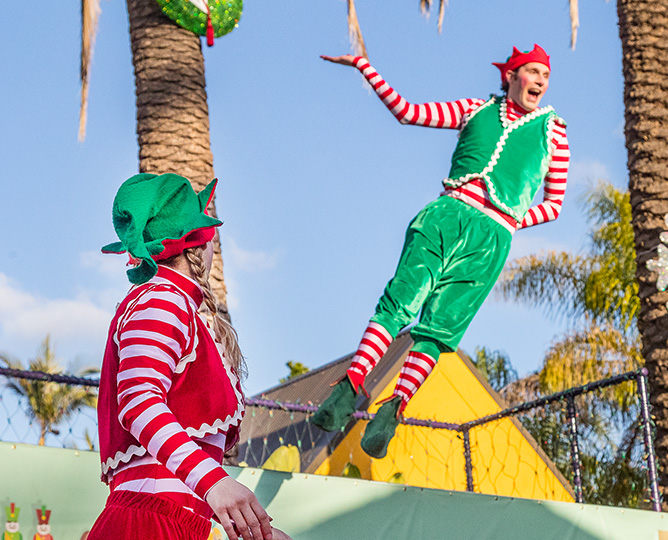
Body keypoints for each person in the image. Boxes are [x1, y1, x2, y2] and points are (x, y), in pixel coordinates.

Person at [312, 45, 570, 459]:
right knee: (398, 303)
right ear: (511, 76)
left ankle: (393, 408)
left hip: (491, 238)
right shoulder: (475, 108)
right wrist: (364, 64)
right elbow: (407, 112)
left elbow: (554, 204)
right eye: (533, 72)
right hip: (446, 214)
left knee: (440, 327)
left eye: (545, 74)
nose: (540, 80)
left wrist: (509, 219)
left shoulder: (555, 132)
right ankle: (349, 387)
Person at [88, 173, 291, 540]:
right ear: (200, 240)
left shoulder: (174, 305)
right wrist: (216, 483)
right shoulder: (162, 300)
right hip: (150, 524)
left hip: (169, 523)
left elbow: (173, 486)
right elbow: (138, 401)